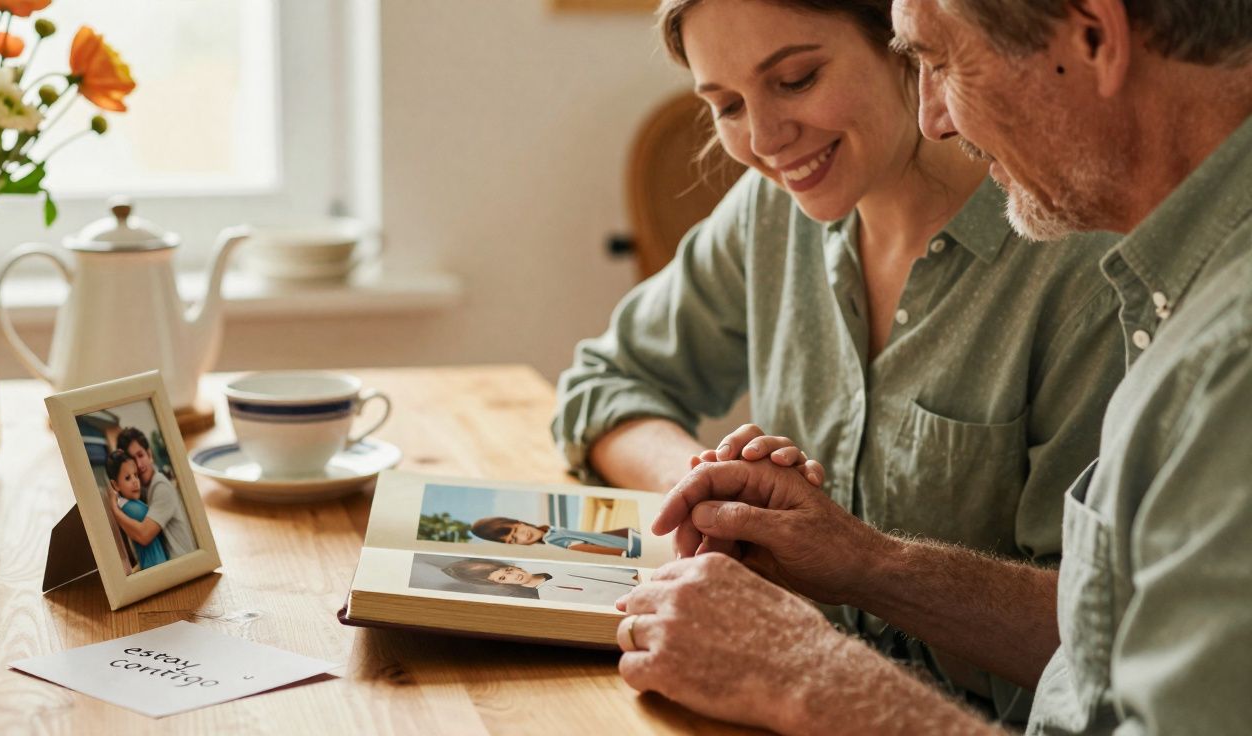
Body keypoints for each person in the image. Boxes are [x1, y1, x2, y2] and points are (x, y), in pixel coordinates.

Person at [613, 0, 1252, 733]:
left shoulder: (1221, 347)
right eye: (725, 104)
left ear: (1095, 36)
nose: (934, 119)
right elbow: (1105, 645)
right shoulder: (1173, 291)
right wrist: (854, 562)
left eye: (942, 62)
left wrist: (811, 674)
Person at [113, 427, 196, 560]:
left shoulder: (161, 487)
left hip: (183, 565)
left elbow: (144, 535)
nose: (139, 465)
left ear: (150, 455)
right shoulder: (144, 489)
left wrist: (115, 511)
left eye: (140, 455)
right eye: (133, 460)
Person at [441, 558, 639, 606]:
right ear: (499, 584)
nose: (513, 576)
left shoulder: (553, 568)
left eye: (508, 570)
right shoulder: (547, 596)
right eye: (503, 578)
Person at [104, 449, 168, 571]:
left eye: (136, 475)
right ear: (115, 485)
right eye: (128, 478)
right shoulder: (132, 508)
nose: (135, 481)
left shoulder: (130, 505)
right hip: (156, 565)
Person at [469, 516, 638, 557]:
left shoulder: (549, 531)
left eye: (515, 530)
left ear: (519, 522)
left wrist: (625, 531)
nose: (522, 535)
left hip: (625, 540)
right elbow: (579, 547)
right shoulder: (551, 540)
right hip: (624, 549)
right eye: (514, 540)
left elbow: (590, 536)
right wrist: (621, 554)